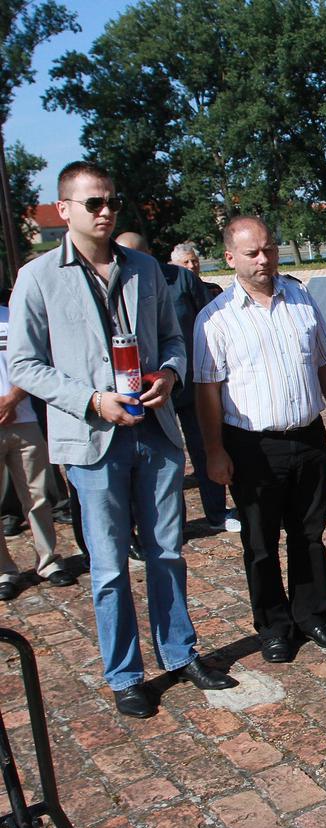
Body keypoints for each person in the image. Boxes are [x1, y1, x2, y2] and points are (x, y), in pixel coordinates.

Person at [8, 161, 236, 719]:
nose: (106, 211)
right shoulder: (37, 278)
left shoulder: (145, 269)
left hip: (154, 433)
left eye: (111, 200)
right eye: (93, 203)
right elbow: (25, 364)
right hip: (92, 439)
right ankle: (125, 673)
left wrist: (171, 375)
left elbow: (170, 341)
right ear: (64, 211)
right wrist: (90, 399)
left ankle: (180, 653)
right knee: (109, 565)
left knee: (167, 553)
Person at [193, 215, 326, 664]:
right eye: (252, 252)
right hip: (251, 446)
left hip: (307, 436)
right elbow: (206, 390)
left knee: (310, 534)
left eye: (269, 248)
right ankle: (273, 626)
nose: (264, 259)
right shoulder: (215, 320)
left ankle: (312, 614)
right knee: (261, 543)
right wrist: (213, 450)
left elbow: (325, 362)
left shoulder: (301, 299)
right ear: (230, 259)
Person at [117, 233, 239, 533]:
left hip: (192, 383)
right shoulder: (117, 285)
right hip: (149, 390)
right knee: (163, 458)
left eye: (135, 252)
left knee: (205, 446)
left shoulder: (181, 279)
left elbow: (210, 319)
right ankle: (173, 523)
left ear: (149, 252)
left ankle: (217, 512)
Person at [0, 297, 70, 600]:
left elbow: (34, 360)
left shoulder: (11, 316)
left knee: (38, 494)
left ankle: (48, 561)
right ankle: (5, 572)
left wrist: (12, 399)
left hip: (24, 418)